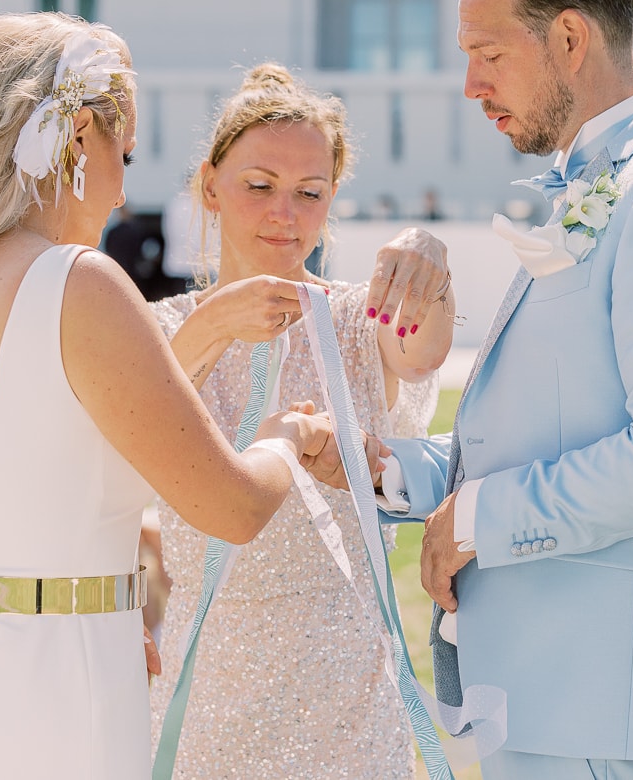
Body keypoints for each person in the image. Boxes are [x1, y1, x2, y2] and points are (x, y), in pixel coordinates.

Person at [0, 14, 332, 779]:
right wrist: (283, 438)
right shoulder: (79, 283)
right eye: (122, 152)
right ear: (74, 141)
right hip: (66, 693)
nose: (125, 186)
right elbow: (230, 506)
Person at [362, 1, 633, 777]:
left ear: (571, 37)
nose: (470, 84)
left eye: (486, 53)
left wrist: (480, 517)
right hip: (552, 700)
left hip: (618, 714)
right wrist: (395, 470)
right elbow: (555, 434)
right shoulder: (603, 184)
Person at [146, 63, 457, 778]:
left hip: (346, 689)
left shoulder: (351, 319)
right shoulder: (161, 329)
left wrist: (426, 264)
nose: (284, 212)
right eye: (259, 186)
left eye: (309, 193)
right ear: (210, 186)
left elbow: (422, 347)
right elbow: (138, 425)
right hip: (210, 688)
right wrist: (218, 320)